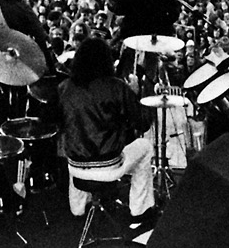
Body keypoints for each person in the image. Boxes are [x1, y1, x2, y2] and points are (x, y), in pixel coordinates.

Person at [57, 38, 155, 227]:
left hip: (75, 166)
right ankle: (139, 211)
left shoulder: (63, 88)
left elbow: (58, 124)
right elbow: (143, 123)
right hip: (107, 166)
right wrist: (134, 93)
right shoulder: (116, 87)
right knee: (145, 146)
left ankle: (77, 207)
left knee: (75, 140)